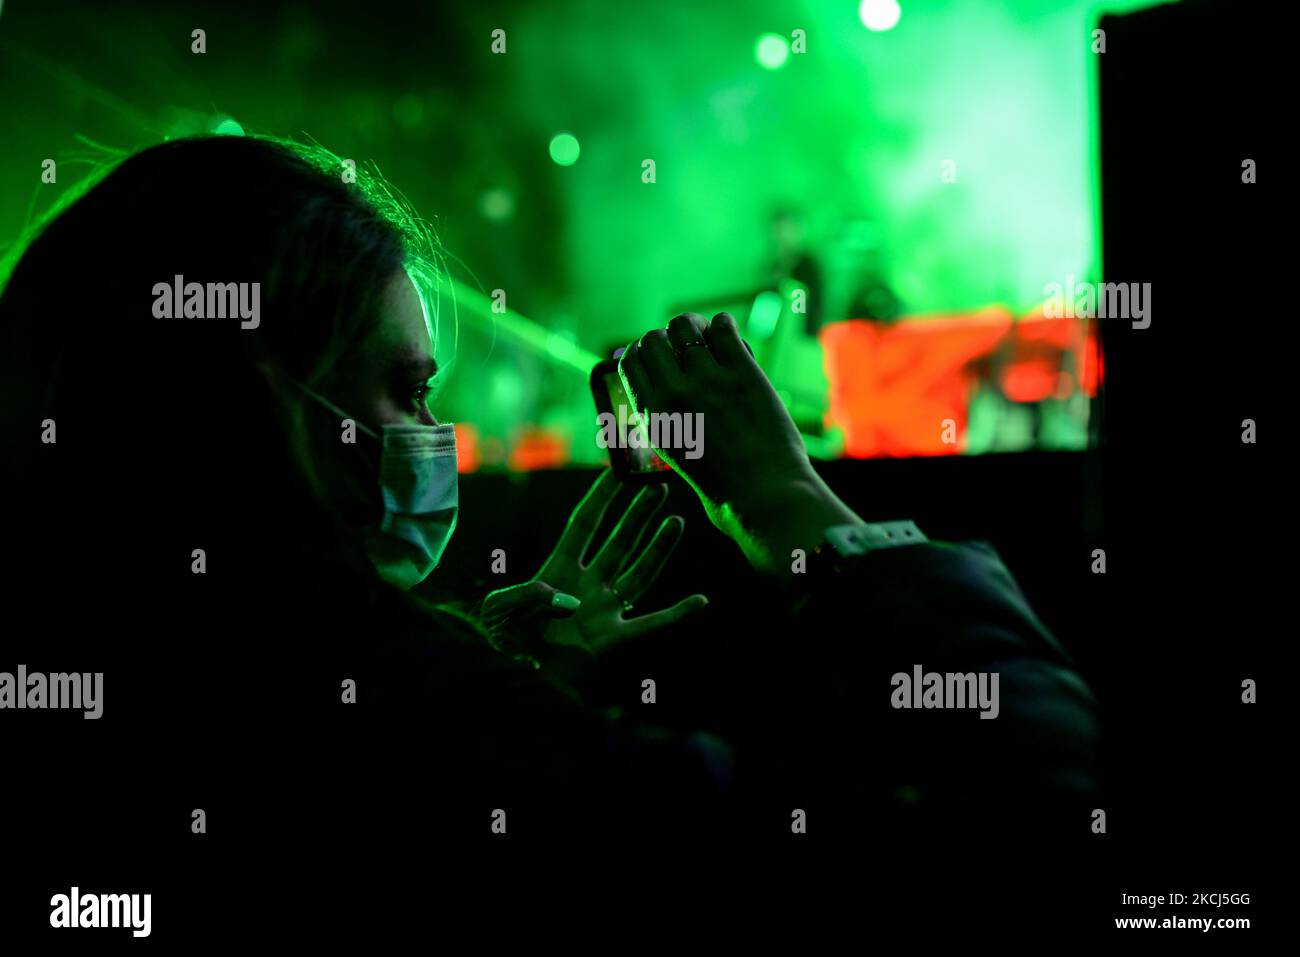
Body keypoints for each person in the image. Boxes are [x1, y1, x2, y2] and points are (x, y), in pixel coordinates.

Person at [1, 134, 1095, 861]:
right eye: (402, 387)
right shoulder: (427, 736)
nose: (433, 436)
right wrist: (794, 507)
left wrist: (486, 662)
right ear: (249, 415)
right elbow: (1040, 819)